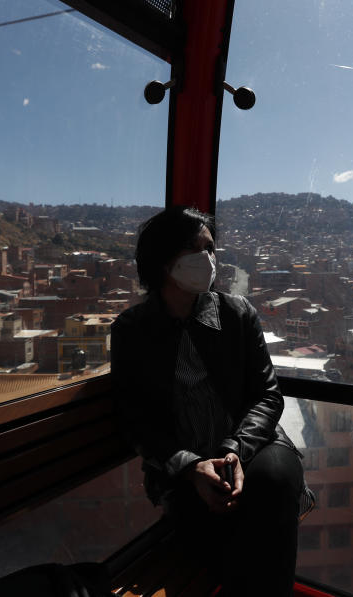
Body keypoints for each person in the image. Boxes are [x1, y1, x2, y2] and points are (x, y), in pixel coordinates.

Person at [111, 207, 312, 596]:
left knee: (271, 484)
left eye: (211, 248)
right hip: (185, 468)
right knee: (231, 535)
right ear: (163, 259)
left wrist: (234, 451)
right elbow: (134, 419)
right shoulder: (132, 332)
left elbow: (267, 396)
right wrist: (190, 467)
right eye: (194, 248)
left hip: (255, 448)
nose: (208, 259)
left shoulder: (237, 315)